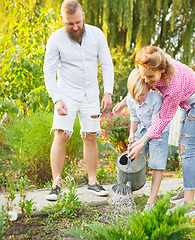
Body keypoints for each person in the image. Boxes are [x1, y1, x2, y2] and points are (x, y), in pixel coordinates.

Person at [113, 46, 195, 217]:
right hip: (188, 101)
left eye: (150, 77)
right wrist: (125, 102)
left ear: (162, 69)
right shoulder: (153, 65)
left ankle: (189, 206)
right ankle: (191, 190)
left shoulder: (173, 86)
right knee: (186, 148)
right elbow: (138, 84)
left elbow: (162, 121)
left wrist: (142, 143)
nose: (146, 80)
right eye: (143, 75)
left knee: (185, 148)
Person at [44, 0, 114, 200]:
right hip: (66, 94)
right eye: (70, 24)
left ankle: (92, 182)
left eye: (78, 22)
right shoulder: (55, 40)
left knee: (90, 136)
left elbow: (107, 64)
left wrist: (107, 92)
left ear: (83, 17)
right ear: (62, 19)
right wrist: (57, 99)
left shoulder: (97, 34)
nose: (75, 27)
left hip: (91, 93)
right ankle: (56, 184)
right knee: (61, 135)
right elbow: (48, 73)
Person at [109, 69, 170, 210]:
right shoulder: (131, 98)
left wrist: (140, 144)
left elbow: (155, 128)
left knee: (156, 165)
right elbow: (134, 117)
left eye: (142, 94)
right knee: (132, 159)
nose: (138, 98)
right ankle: (126, 195)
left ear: (149, 87)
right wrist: (132, 132)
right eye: (135, 95)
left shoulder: (156, 100)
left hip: (159, 131)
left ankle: (151, 202)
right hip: (142, 128)